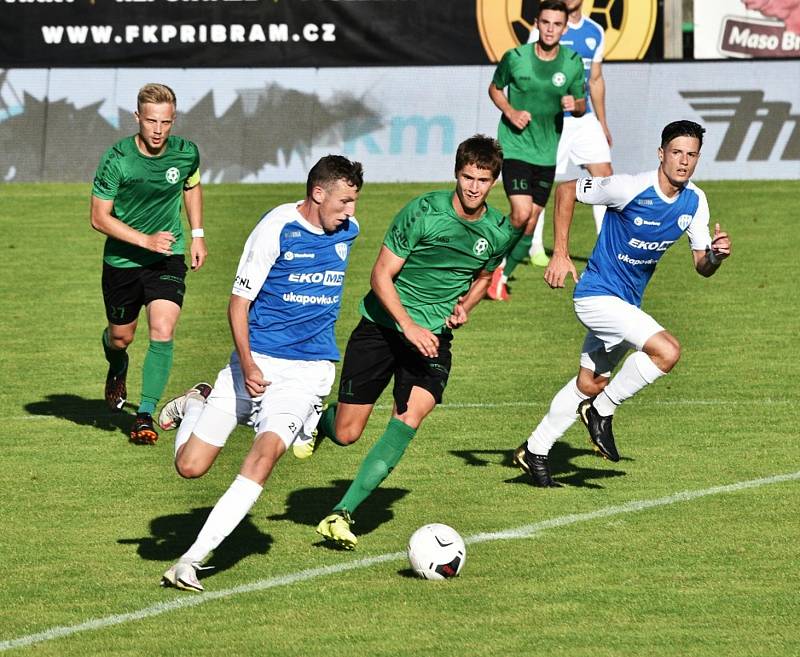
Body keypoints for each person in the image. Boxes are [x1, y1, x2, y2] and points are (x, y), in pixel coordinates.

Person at [159, 155, 364, 591]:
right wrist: (248, 364)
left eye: (354, 202)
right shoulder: (276, 229)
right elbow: (238, 304)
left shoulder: (348, 232)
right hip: (253, 362)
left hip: (303, 376)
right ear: (318, 193)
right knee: (190, 467)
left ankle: (190, 560)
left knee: (265, 455)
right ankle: (196, 402)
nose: (351, 213)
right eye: (344, 202)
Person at [306, 135, 513, 550]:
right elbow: (380, 276)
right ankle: (317, 421)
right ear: (456, 173)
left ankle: (340, 514)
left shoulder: (499, 231)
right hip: (382, 326)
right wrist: (408, 326)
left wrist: (466, 305)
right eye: (468, 177)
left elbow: (485, 274)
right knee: (347, 433)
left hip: (432, 339)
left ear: (494, 182)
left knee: (411, 415)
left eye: (483, 180)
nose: (473, 187)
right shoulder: (422, 212)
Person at [513, 120, 732, 487]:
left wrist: (716, 255)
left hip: (625, 303)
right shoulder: (628, 187)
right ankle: (601, 412)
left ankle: (534, 450)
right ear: (661, 154)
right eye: (676, 152)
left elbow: (701, 266)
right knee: (668, 351)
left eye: (691, 155)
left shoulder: (695, 201)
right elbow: (567, 191)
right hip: (596, 296)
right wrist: (561, 254)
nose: (683, 161)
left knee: (591, 381)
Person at [90, 83, 206, 445]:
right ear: (137, 117)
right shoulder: (117, 159)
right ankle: (117, 364)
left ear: (174, 120)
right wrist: (144, 240)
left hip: (166, 258)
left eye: (166, 122)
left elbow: (191, 185)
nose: (158, 130)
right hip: (123, 261)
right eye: (151, 121)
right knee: (121, 337)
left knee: (163, 329)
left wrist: (197, 233)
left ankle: (144, 415)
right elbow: (98, 217)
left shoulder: (187, 153)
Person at [486, 0, 585, 301]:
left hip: (546, 152)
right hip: (516, 146)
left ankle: (499, 277)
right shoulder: (515, 57)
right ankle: (485, 258)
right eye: (546, 22)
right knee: (521, 212)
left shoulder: (572, 62)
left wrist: (574, 105)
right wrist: (510, 111)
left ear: (564, 28)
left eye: (557, 24)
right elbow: (494, 88)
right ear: (537, 24)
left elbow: (581, 104)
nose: (551, 29)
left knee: (530, 222)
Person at [526, 0, 614, 266]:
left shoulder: (596, 31)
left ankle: (605, 248)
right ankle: (535, 247)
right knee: (542, 181)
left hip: (583, 116)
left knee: (605, 176)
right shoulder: (547, 27)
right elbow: (528, 68)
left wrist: (602, 121)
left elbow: (595, 79)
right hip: (550, 119)